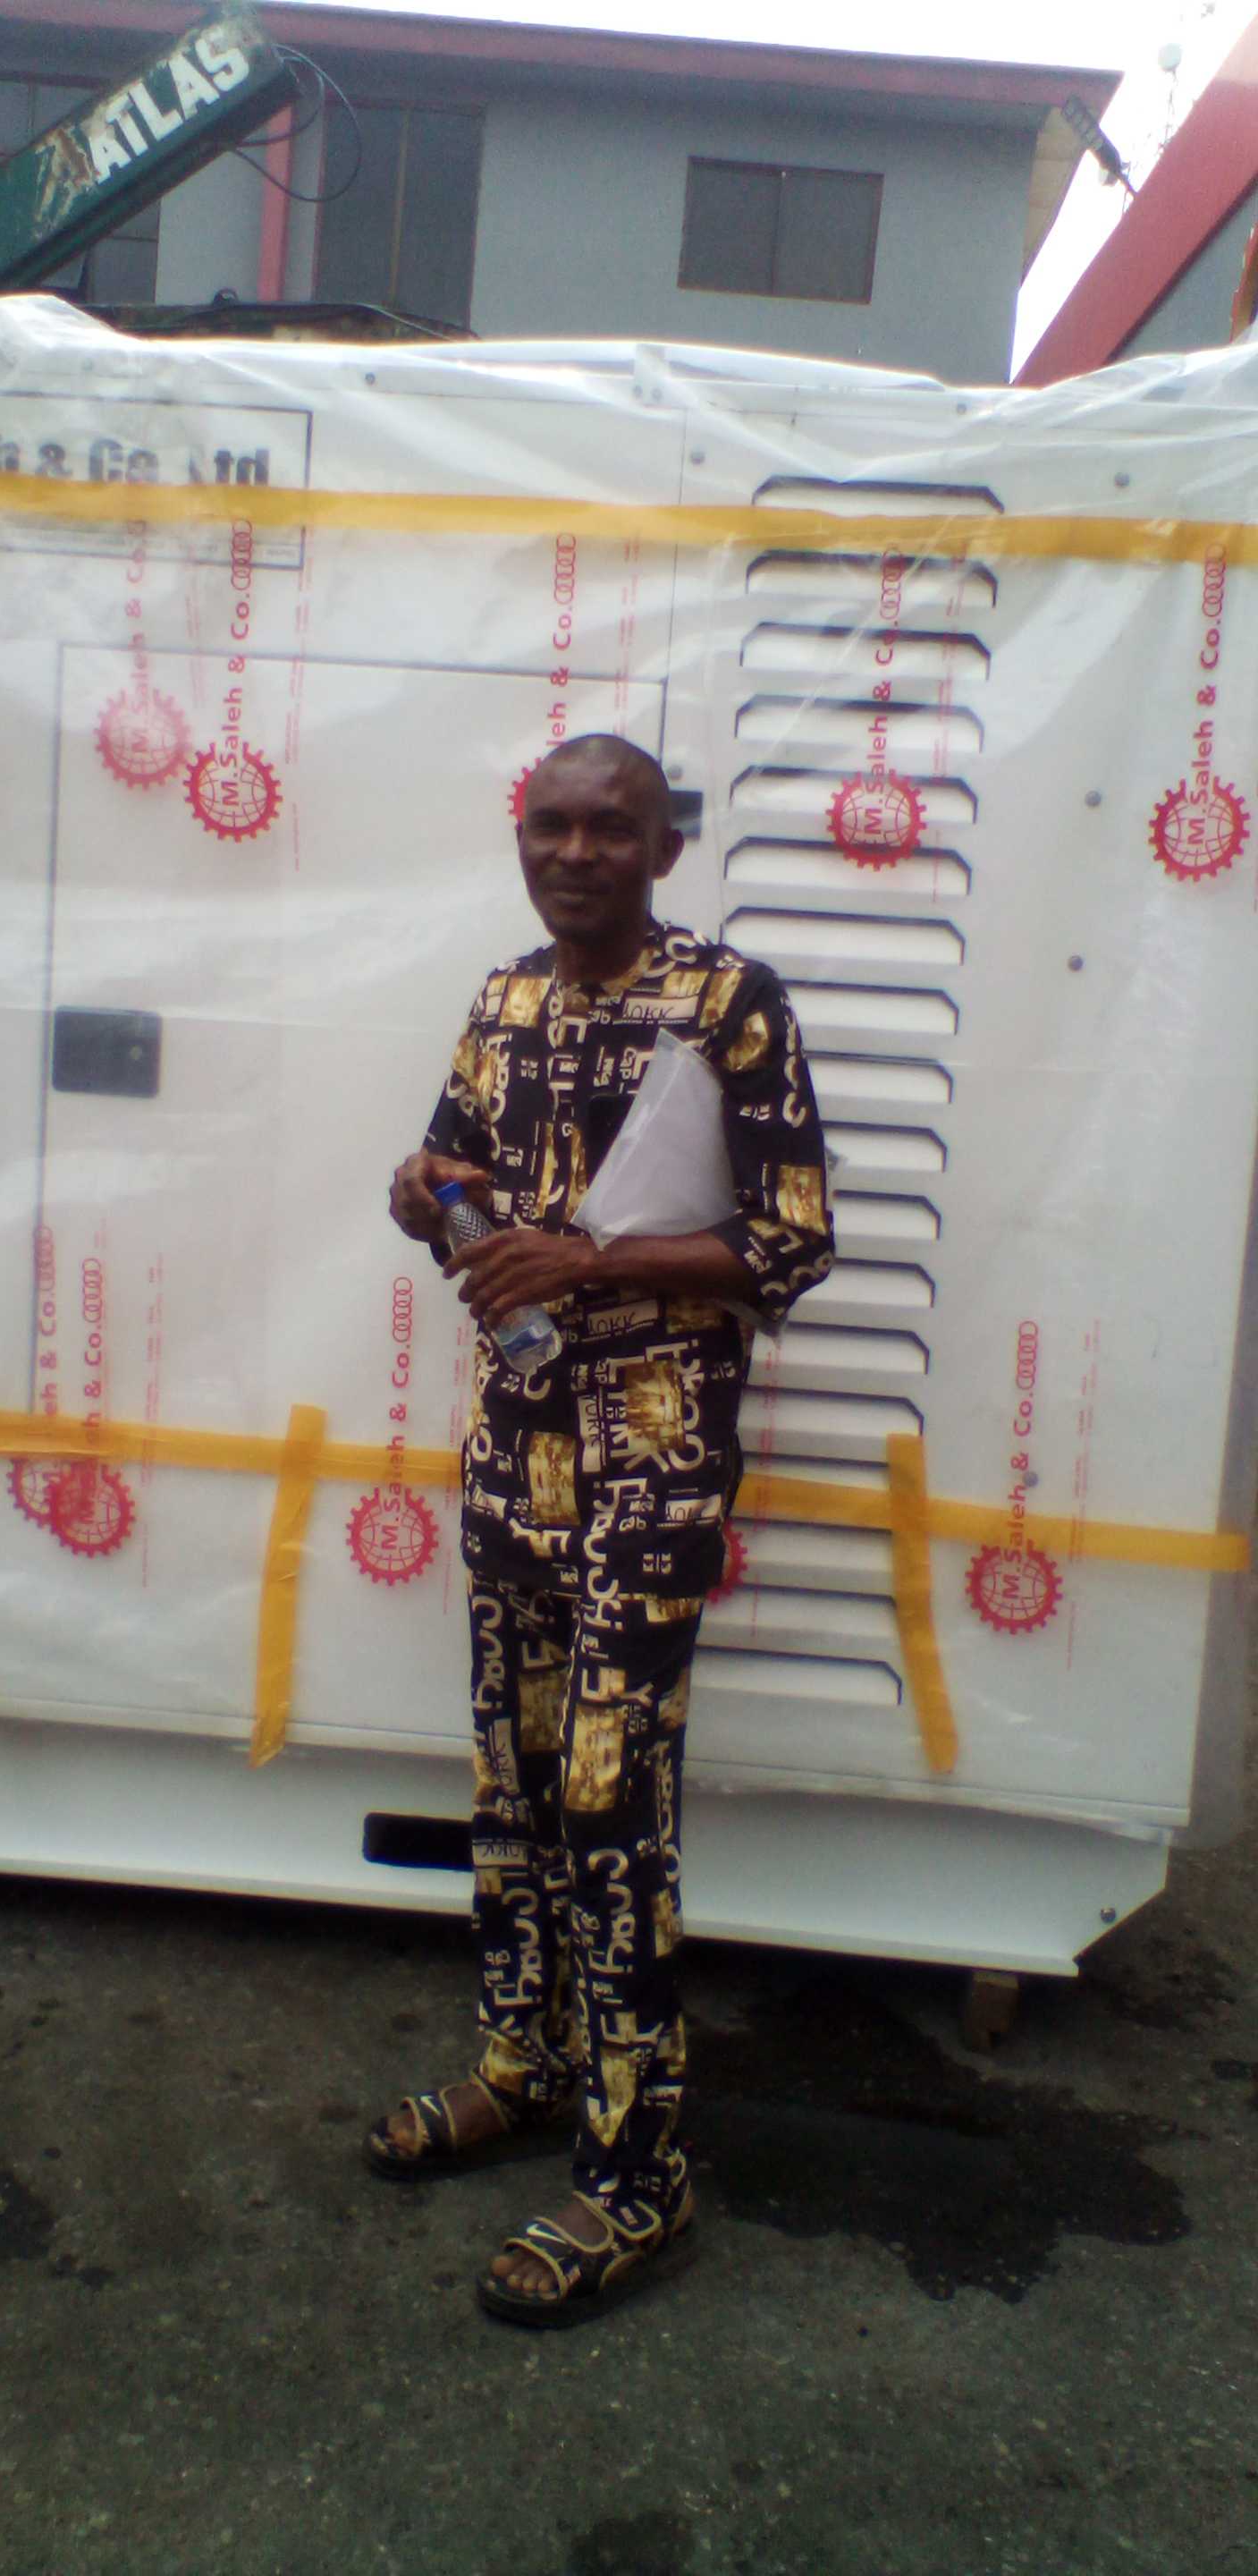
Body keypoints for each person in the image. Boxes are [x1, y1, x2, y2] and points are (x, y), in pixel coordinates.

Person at [369, 733, 833, 2326]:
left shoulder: (728, 1002)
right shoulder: (502, 1001)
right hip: (516, 1452)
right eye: (551, 824)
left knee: (609, 1796)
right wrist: (426, 1194)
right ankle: (526, 2063)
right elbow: (451, 1175)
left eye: (611, 827)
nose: (576, 851)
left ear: (663, 846)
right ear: (523, 837)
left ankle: (640, 2174)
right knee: (512, 1777)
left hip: (653, 1461)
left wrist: (587, 1260)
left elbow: (792, 1242)